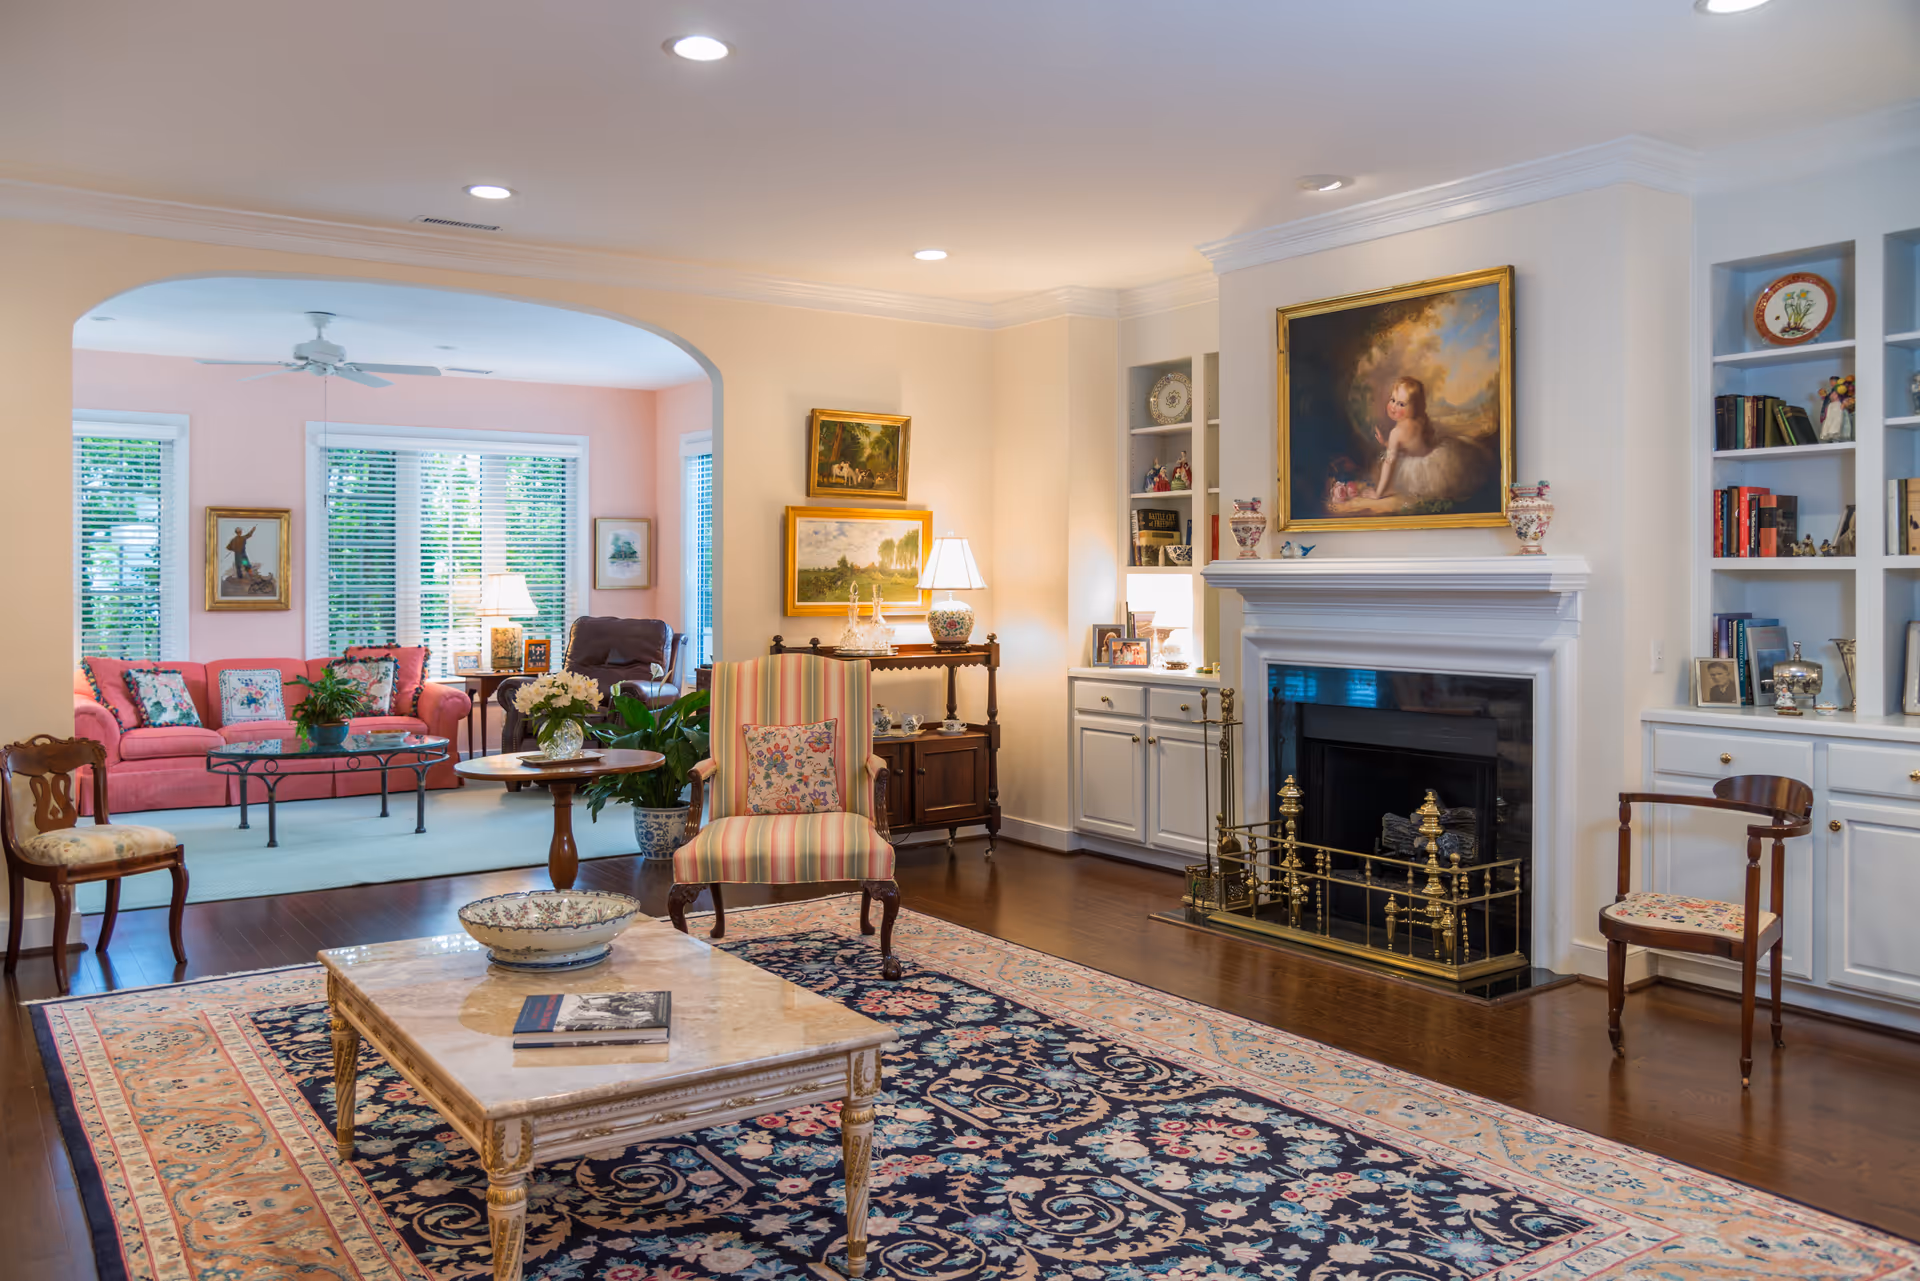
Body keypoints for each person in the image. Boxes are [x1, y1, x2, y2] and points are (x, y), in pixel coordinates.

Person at [1371, 376, 1484, 503]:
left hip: (1420, 472)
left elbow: (1388, 463)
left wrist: (1378, 493)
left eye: (1401, 404)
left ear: (1414, 407)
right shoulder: (1420, 421)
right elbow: (1407, 445)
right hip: (1433, 460)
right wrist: (1385, 443)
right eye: (1393, 400)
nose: (1393, 407)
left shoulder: (1396, 432)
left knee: (1387, 468)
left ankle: (1387, 490)